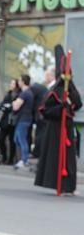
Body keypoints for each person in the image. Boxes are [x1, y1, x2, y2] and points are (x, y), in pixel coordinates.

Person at [35, 59, 82, 194]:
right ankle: (55, 183)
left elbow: (77, 104)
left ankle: (68, 186)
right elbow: (45, 111)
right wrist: (59, 108)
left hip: (67, 126)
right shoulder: (54, 91)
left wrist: (70, 96)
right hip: (55, 128)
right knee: (54, 156)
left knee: (69, 157)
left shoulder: (71, 89)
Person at [12, 74, 34, 169]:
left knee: (21, 139)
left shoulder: (25, 93)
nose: (18, 83)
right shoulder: (29, 93)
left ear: (23, 82)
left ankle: (24, 160)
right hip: (24, 119)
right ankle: (23, 159)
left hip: (23, 119)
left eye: (20, 81)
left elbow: (16, 106)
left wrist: (14, 102)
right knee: (17, 139)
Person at [0, 79, 20, 165]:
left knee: (12, 141)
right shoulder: (8, 94)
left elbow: (15, 107)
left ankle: (10, 159)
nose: (11, 85)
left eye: (13, 83)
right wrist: (5, 106)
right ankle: (4, 156)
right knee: (1, 139)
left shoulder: (19, 94)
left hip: (13, 121)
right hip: (5, 121)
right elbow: (1, 105)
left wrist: (8, 107)